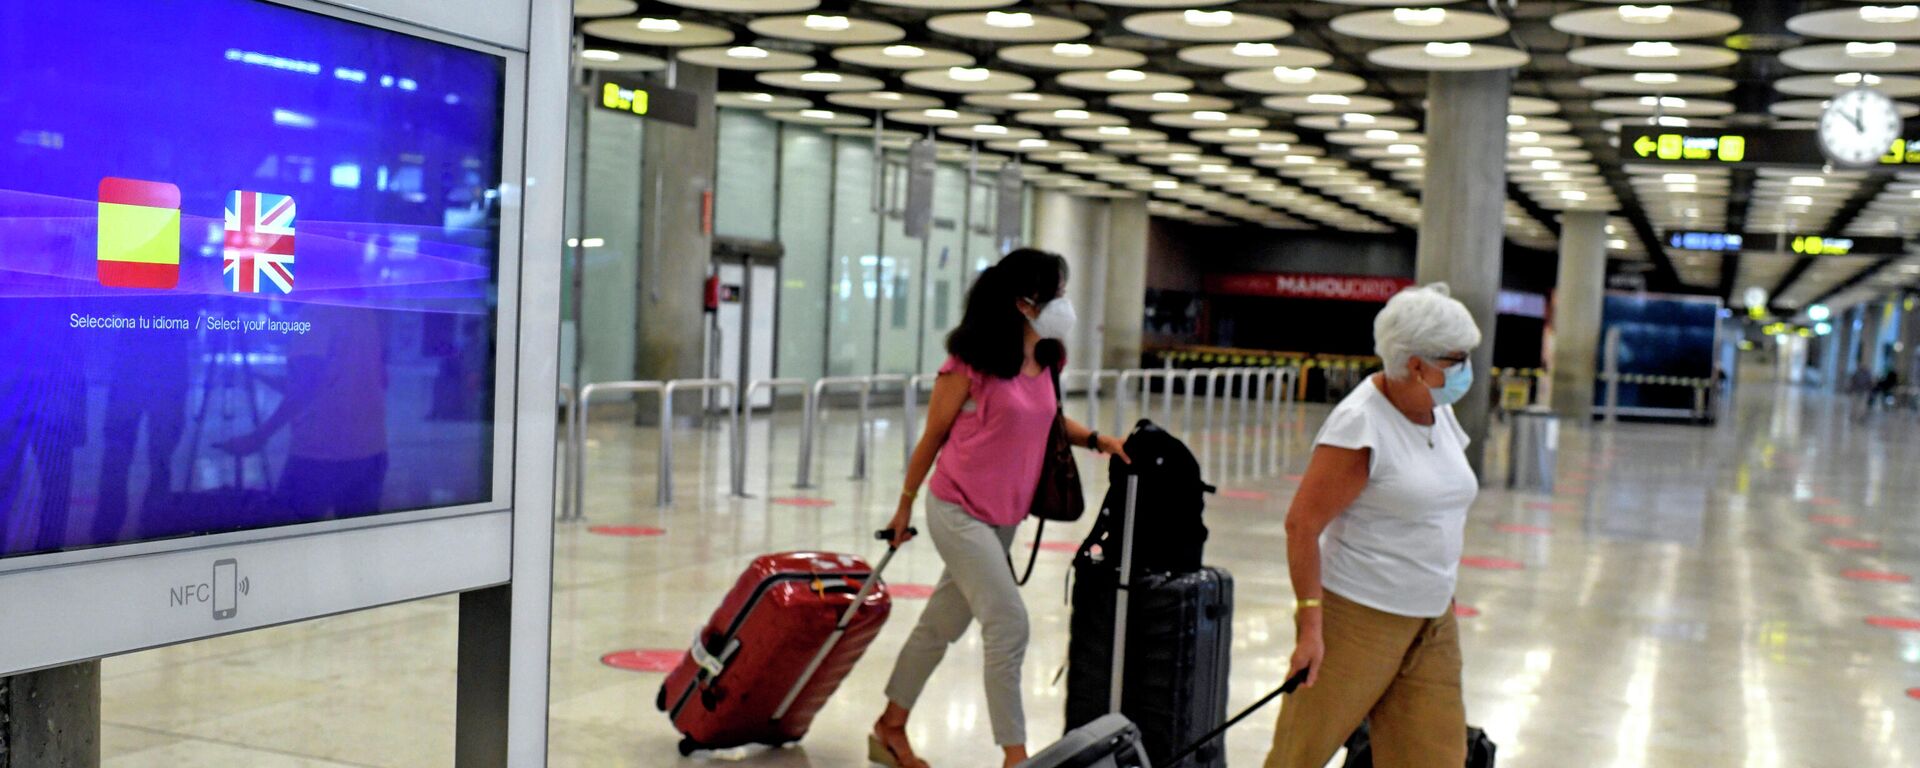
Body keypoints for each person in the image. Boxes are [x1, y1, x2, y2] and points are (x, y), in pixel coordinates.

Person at [872, 248, 1128, 768]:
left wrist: (1100, 440)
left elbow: (1050, 424)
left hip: (1005, 517)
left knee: (940, 626)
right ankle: (1016, 758)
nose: (1064, 302)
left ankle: (889, 727)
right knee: (1008, 624)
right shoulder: (968, 364)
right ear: (1023, 303)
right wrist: (903, 508)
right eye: (1055, 293)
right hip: (956, 509)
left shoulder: (1048, 359)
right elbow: (931, 439)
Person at [1265, 284, 1483, 768]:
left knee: (1435, 758)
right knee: (1299, 755)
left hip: (1431, 620)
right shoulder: (1360, 425)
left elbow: (1440, 507)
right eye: (1457, 358)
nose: (1467, 368)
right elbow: (1302, 524)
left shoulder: (1439, 411)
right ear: (1415, 364)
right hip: (1358, 617)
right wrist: (1310, 626)